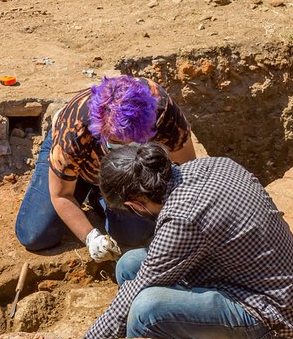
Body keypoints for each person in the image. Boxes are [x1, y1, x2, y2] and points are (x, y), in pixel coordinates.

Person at [81, 143, 293, 339]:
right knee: (129, 265)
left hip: (271, 319)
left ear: (135, 204)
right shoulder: (211, 165)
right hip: (246, 280)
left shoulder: (182, 218)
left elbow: (137, 290)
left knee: (144, 311)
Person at [15, 76, 197, 261]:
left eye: (134, 142)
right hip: (82, 169)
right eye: (117, 142)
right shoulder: (75, 126)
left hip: (130, 176)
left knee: (133, 234)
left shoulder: (163, 110)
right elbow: (60, 194)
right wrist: (90, 237)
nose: (125, 149)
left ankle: (100, 197)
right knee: (35, 235)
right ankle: (90, 190)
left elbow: (187, 170)